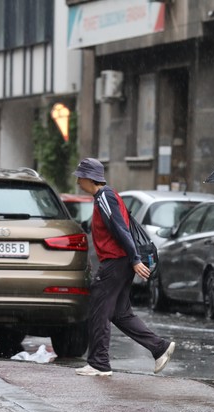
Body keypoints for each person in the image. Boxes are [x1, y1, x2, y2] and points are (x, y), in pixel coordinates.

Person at [72, 157, 175, 377]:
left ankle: (99, 363)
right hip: (121, 262)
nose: (78, 182)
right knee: (120, 313)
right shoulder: (107, 195)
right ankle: (160, 347)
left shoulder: (104, 197)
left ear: (90, 178)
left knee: (99, 309)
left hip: (116, 262)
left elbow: (121, 229)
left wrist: (135, 259)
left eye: (80, 177)